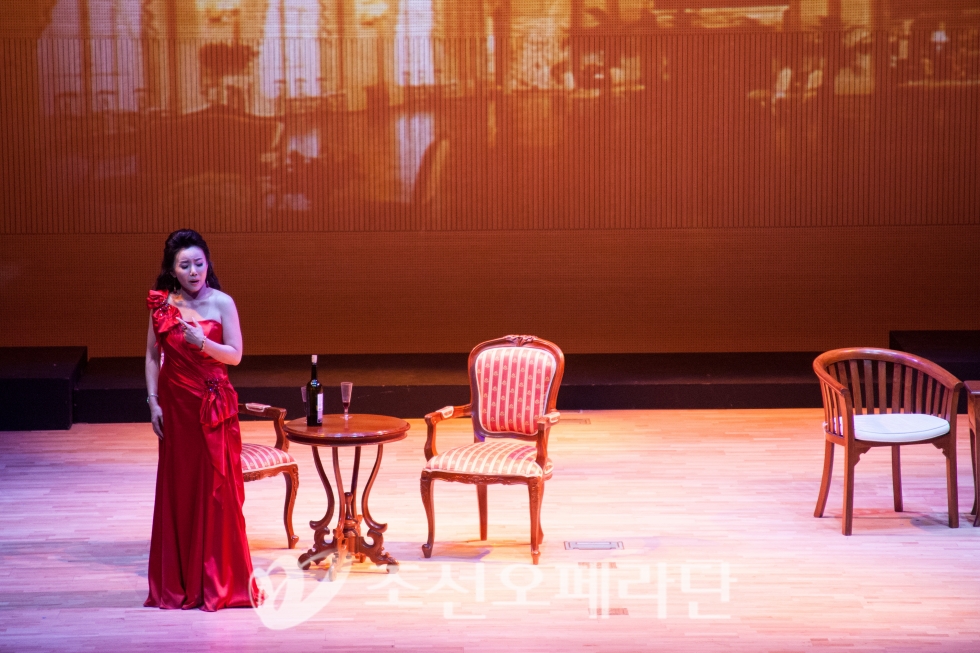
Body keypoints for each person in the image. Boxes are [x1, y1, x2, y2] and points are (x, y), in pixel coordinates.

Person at [144, 229, 259, 611]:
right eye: (185, 265)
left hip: (212, 407)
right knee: (181, 491)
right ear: (172, 270)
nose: (193, 271)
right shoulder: (162, 305)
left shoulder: (223, 303)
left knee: (217, 493)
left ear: (208, 264)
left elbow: (235, 356)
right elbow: (151, 356)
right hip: (175, 409)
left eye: (199, 263)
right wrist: (153, 403)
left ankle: (218, 581)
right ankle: (182, 581)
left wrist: (203, 344)